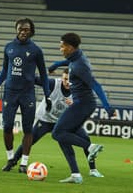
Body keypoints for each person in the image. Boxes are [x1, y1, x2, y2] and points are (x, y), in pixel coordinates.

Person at [6, 68, 104, 178]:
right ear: (62, 78)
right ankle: (12, 162)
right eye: (65, 79)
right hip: (46, 120)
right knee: (29, 141)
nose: (67, 82)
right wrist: (24, 73)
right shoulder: (53, 84)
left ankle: (93, 169)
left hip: (64, 123)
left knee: (85, 139)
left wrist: (75, 103)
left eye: (70, 80)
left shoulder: (79, 91)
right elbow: (37, 80)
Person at [49, 32, 116, 184]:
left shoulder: (80, 66)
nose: (60, 49)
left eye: (62, 46)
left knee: (57, 133)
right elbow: (70, 64)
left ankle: (90, 147)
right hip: (82, 104)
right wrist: (57, 65)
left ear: (70, 47)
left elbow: (95, 85)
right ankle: (76, 175)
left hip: (83, 104)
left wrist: (107, 106)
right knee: (63, 137)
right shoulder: (76, 58)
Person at [0, 18, 52, 173]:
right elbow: (5, 70)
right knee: (7, 126)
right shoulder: (9, 47)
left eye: (26, 29)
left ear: (31, 31)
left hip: (27, 94)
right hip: (10, 93)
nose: (23, 32)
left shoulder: (36, 50)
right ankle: (10, 159)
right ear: (16, 30)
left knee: (28, 129)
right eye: (20, 29)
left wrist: (48, 95)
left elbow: (44, 75)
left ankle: (24, 163)